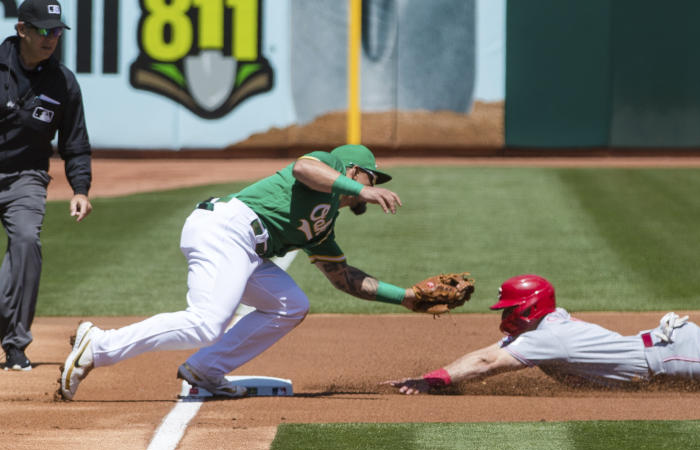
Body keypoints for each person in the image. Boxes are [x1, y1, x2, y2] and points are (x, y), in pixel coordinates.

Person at [58, 144, 436, 400]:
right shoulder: (328, 164)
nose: (375, 188)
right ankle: (99, 345)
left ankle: (206, 369)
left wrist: (405, 297)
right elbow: (305, 168)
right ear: (353, 170)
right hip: (226, 230)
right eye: (373, 179)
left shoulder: (322, 225)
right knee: (206, 323)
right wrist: (360, 189)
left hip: (247, 251)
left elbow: (344, 278)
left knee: (291, 305)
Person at [388, 256, 700, 394]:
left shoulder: (547, 336)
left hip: (668, 353)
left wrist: (435, 378)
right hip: (665, 350)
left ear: (526, 309)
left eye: (506, 307)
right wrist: (445, 378)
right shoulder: (537, 330)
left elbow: (484, 361)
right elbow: (489, 353)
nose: (501, 315)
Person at [1, 0, 93, 371]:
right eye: (42, 30)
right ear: (21, 29)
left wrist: (80, 189)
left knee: (26, 242)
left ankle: (16, 344)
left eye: (56, 30)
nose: (50, 37)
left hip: (26, 175)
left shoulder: (62, 82)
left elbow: (75, 142)